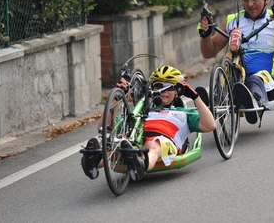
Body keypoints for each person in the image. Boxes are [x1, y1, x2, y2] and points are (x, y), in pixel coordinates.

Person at [198, 0, 274, 124]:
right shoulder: (231, 21)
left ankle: (254, 100)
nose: (250, 4)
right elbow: (209, 52)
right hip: (237, 78)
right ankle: (211, 101)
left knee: (256, 79)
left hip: (268, 79)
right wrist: (205, 35)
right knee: (226, 73)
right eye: (245, 0)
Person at [80, 65, 216, 181]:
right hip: (136, 139)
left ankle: (140, 164)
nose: (163, 91)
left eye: (168, 87)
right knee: (117, 143)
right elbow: (104, 128)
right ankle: (92, 160)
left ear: (177, 91)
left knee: (152, 145)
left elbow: (210, 125)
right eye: (158, 86)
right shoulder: (142, 111)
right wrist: (117, 97)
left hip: (165, 142)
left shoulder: (184, 113)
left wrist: (195, 97)